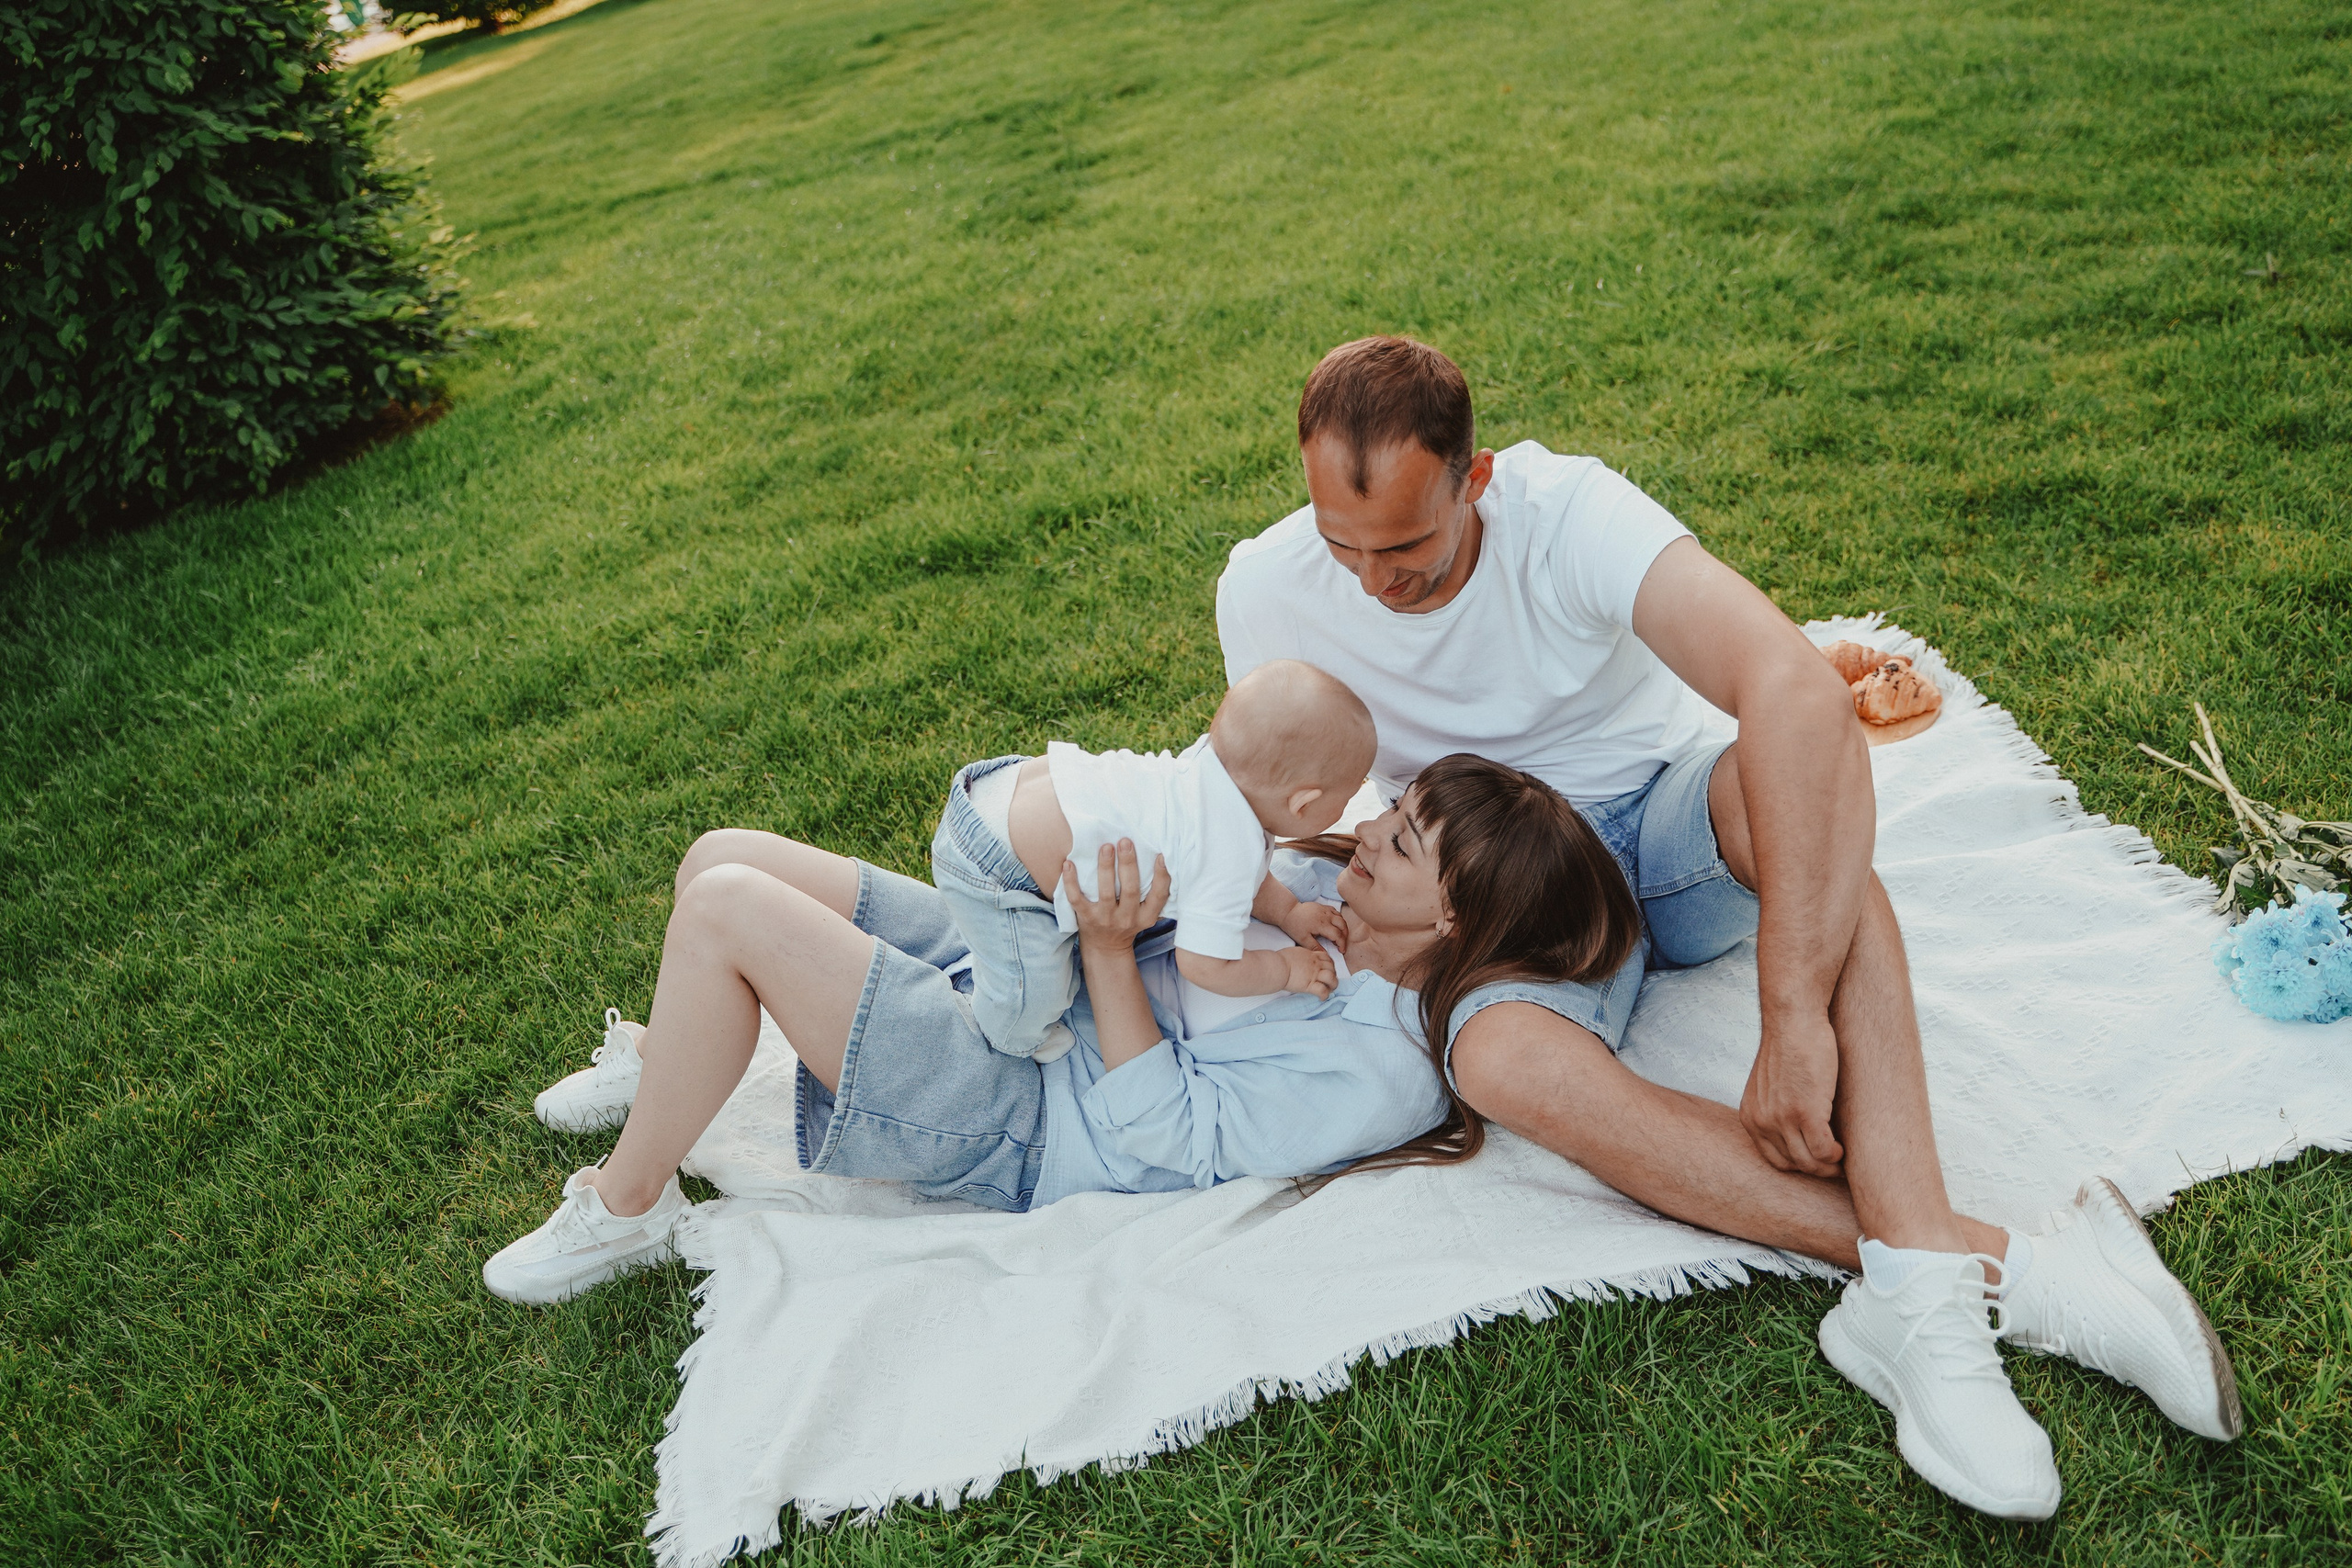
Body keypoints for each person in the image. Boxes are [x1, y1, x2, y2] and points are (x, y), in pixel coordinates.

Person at [1215, 335, 2242, 1520]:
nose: (1371, 583)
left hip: (1655, 826)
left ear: (1474, 479)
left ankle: (1923, 1299)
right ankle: (2013, 1278)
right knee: (1495, 1058)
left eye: (1404, 546)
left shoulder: (1569, 511)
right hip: (1493, 885)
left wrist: (1791, 1007)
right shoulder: (1267, 586)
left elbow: (1790, 685)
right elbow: (1275, 791)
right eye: (1342, 546)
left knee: (1805, 804)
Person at [488, 754, 1641, 1309]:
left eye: (1399, 841)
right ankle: (671, 1072)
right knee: (723, 856)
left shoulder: (1379, 1066)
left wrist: (1104, 948)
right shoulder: (1323, 892)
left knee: (729, 915)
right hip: (1030, 987)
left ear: (1448, 917)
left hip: (1029, 1114)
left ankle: (626, 1207)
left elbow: (1162, 1131)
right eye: (1393, 811)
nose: (1369, 832)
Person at [933, 657, 1375, 1066]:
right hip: (998, 865)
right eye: (1350, 796)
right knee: (1034, 998)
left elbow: (1251, 880)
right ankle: (1001, 1033)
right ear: (1303, 803)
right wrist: (1285, 969)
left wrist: (1288, 911)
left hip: (1006, 788)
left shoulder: (1211, 773)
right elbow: (1204, 965)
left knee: (1035, 958)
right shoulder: (1224, 849)